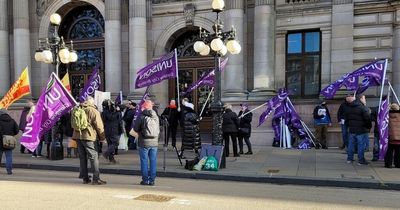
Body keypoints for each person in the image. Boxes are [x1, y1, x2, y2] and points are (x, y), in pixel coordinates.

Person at [72, 96, 107, 185]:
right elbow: (99, 126)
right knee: (93, 157)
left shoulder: (78, 108)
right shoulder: (93, 110)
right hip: (89, 137)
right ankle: (96, 179)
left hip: (78, 136)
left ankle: (85, 178)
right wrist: (102, 138)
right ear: (92, 102)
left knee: (82, 158)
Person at [133, 100, 160, 186]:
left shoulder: (141, 116)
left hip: (144, 142)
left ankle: (145, 180)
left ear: (145, 107)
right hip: (154, 142)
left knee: (144, 161)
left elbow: (136, 129)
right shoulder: (156, 116)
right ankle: (152, 180)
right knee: (153, 161)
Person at [345, 95, 371, 165]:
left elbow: (346, 119)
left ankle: (349, 159)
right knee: (361, 145)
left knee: (351, 145)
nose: (365, 100)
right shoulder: (362, 108)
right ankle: (361, 160)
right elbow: (367, 118)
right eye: (364, 98)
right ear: (361, 99)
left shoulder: (349, 108)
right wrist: (368, 127)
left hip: (352, 129)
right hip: (361, 130)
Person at [101, 99, 122, 164]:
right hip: (112, 130)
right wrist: (118, 112)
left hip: (107, 130)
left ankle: (111, 160)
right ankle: (106, 153)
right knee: (115, 143)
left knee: (110, 144)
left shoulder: (104, 111)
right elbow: (112, 118)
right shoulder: (107, 112)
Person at [0, 109, 19, 175]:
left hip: (0, 141)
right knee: (9, 156)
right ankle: (9, 170)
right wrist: (11, 135)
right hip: (9, 141)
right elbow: (17, 130)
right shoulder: (12, 121)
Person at [385, 103, 400, 168]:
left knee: (389, 152)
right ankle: (398, 164)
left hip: (389, 137)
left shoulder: (387, 115)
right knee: (398, 152)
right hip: (399, 138)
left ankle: (388, 164)